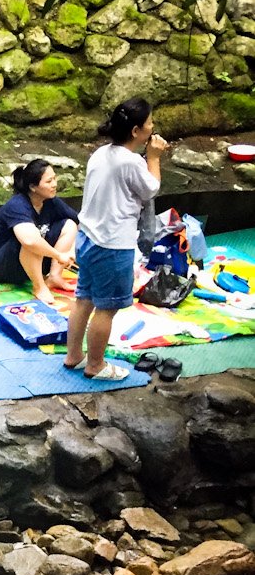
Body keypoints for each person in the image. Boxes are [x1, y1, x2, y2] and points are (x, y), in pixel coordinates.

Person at [66, 97, 167, 382]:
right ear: (136, 131)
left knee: (84, 299)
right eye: (149, 123)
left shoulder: (100, 153)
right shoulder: (131, 162)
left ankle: (73, 356)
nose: (152, 127)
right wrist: (154, 158)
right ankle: (95, 365)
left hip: (87, 238)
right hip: (112, 246)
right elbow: (150, 189)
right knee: (107, 308)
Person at [0, 159, 80, 303]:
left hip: (29, 262)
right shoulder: (17, 205)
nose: (54, 184)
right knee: (31, 240)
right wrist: (58, 255)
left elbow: (79, 222)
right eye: (49, 181)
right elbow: (29, 241)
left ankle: (54, 276)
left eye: (54, 178)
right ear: (33, 187)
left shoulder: (51, 201)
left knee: (69, 225)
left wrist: (74, 249)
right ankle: (39, 287)